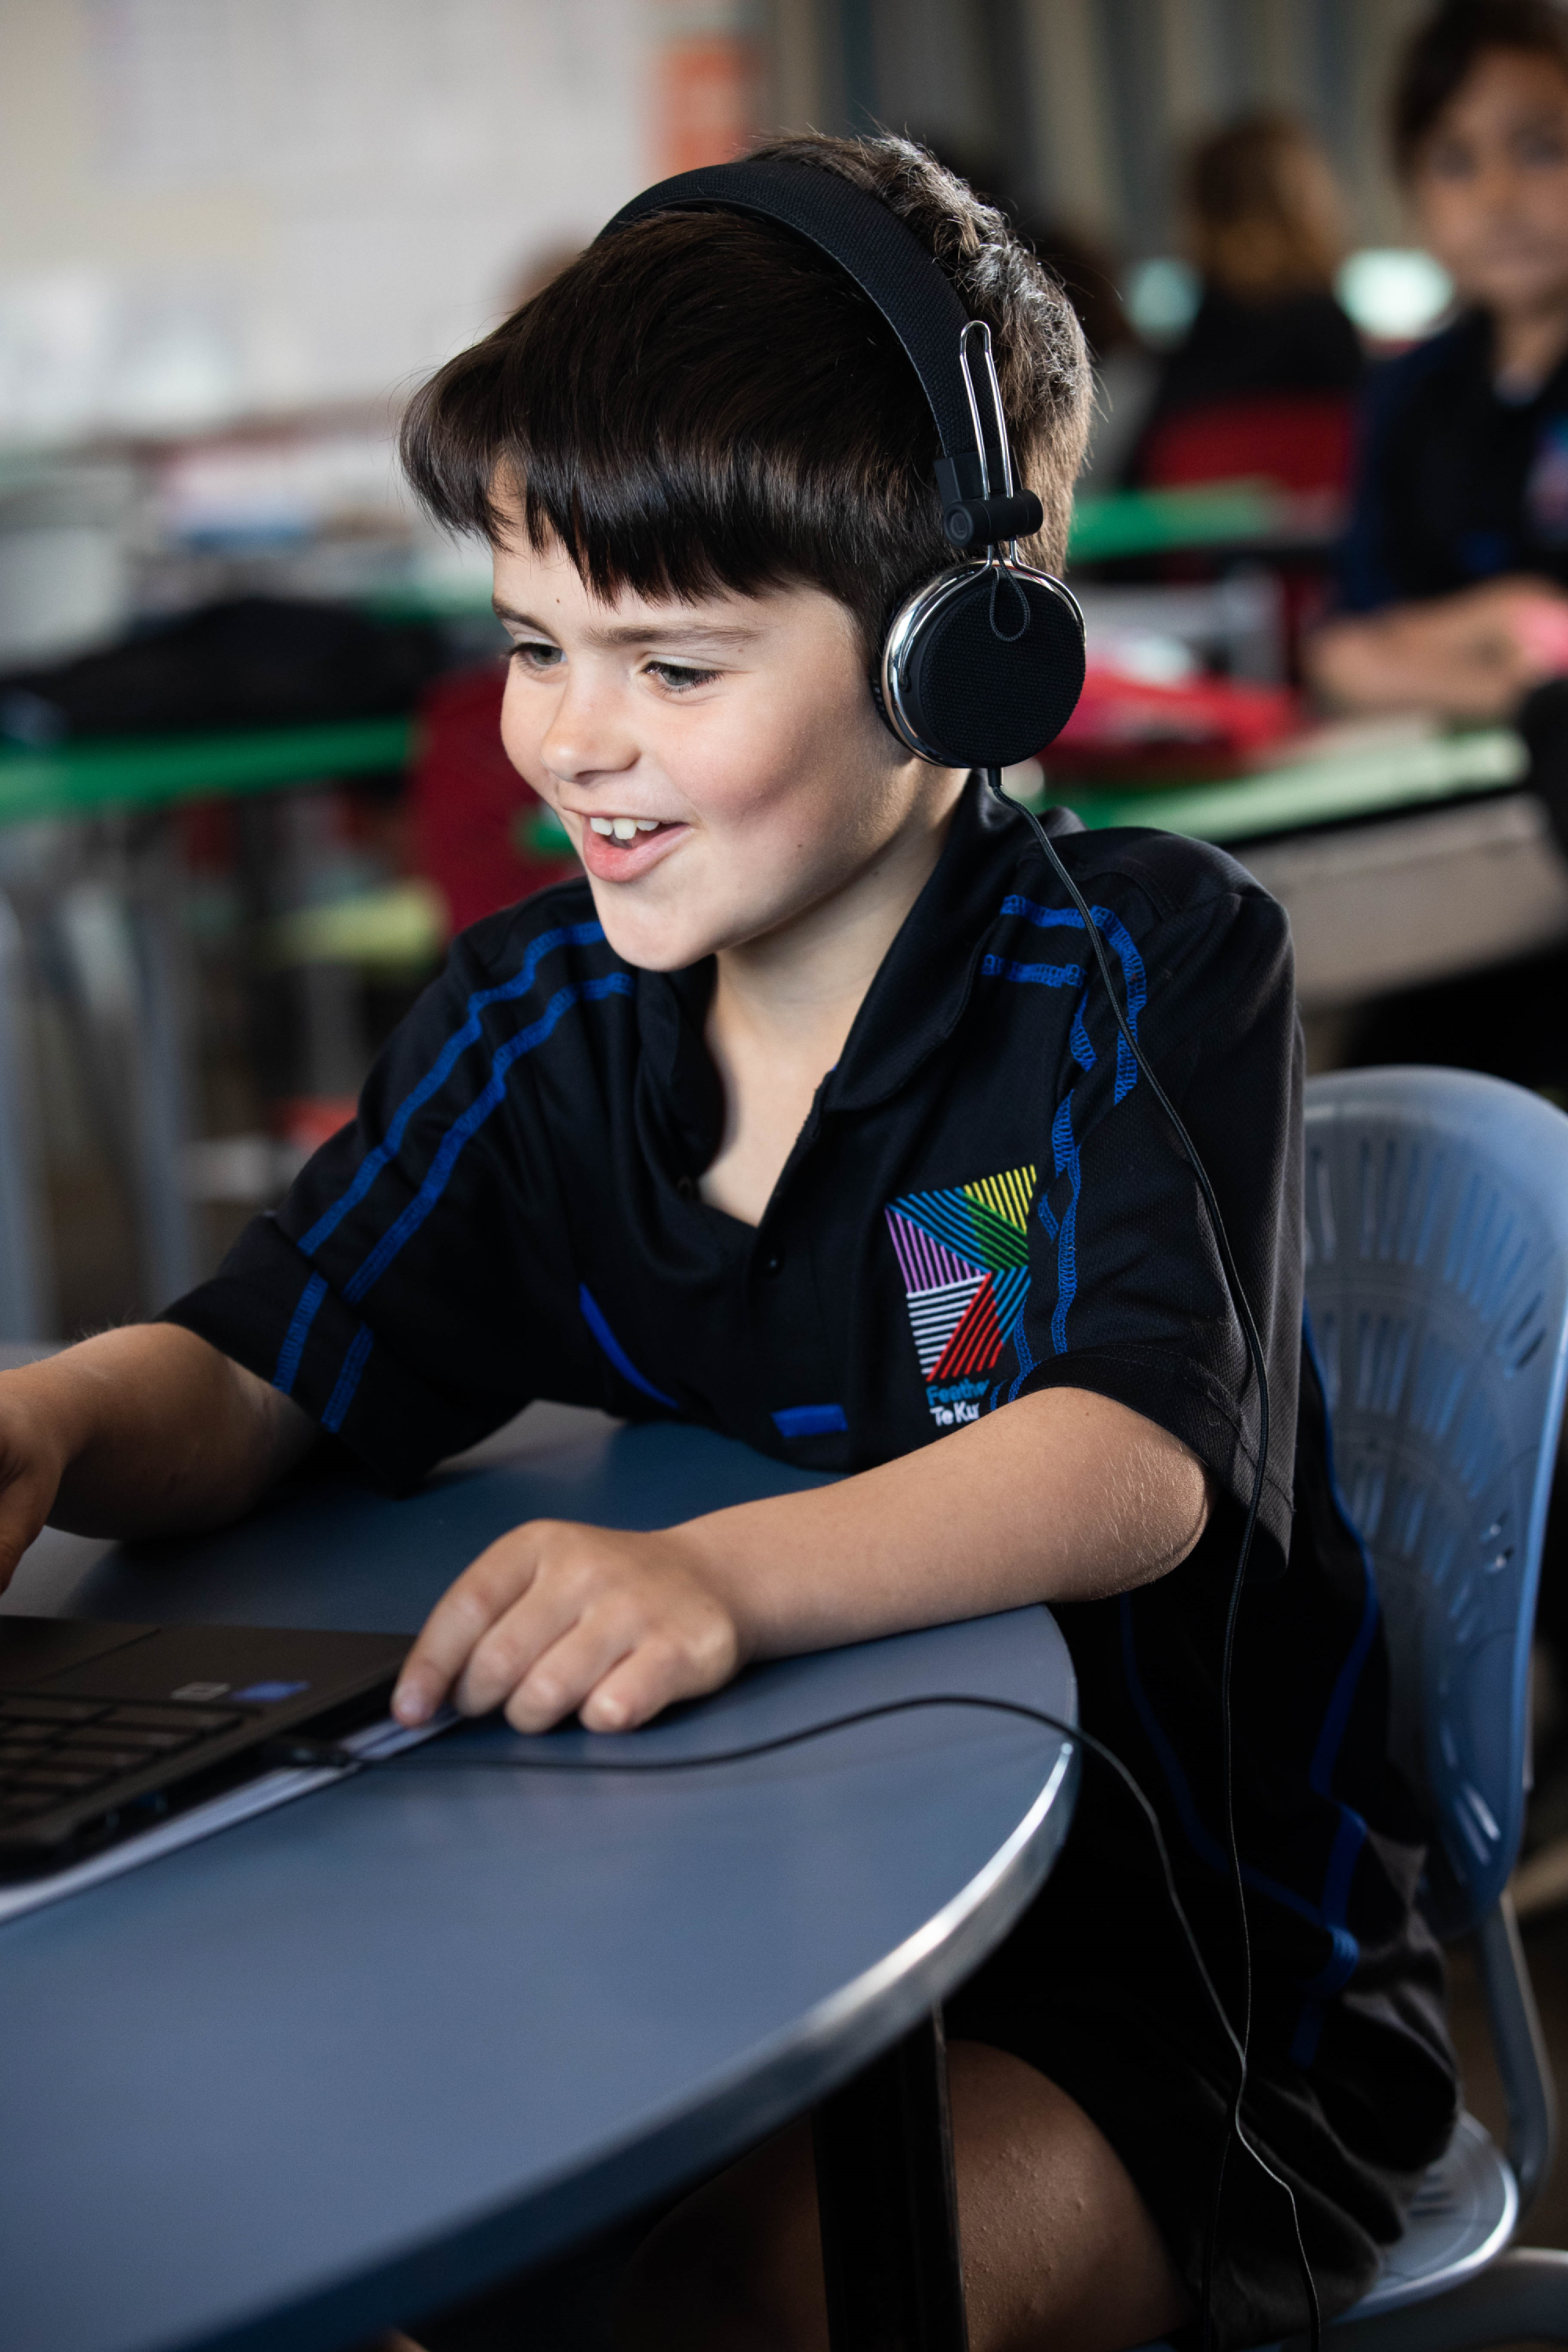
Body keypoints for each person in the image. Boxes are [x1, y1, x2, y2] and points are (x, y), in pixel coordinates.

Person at [0, 136, 1454, 2352]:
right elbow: (266, 1361)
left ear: (967, 653)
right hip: (722, 1920)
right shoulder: (534, 1019)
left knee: (748, 2311)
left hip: (1173, 2001)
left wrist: (709, 1580)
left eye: (672, 666)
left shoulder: (1133, 962)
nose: (573, 739)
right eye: (531, 644)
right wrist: (51, 1416)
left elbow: (1128, 1457)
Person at [1310, 0, 1568, 717]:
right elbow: (1344, 649)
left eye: (1542, 149)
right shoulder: (1407, 391)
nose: (1498, 196)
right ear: (1412, 192)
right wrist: (1506, 627)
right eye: (1455, 162)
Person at [1127, 109, 1363, 487]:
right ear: (1308, 206)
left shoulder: (1188, 359)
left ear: (1200, 218)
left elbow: (1135, 503)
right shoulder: (1337, 341)